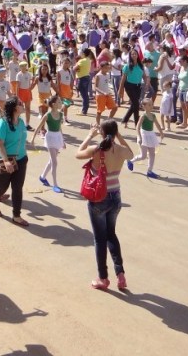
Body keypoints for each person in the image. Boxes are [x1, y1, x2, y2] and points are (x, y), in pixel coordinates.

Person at [75, 120, 134, 290]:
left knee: (100, 239)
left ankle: (103, 278)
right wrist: (119, 136)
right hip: (115, 196)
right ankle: (120, 273)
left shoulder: (97, 149)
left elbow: (77, 153)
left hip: (99, 197)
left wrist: (89, 135)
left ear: (101, 132)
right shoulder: (120, 150)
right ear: (115, 133)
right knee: (111, 235)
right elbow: (131, 153)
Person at [0, 97, 29, 227]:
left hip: (20, 159)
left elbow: (21, 139)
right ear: (14, 108)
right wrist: (6, 161)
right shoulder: (3, 123)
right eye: (20, 103)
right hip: (3, 159)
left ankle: (16, 215)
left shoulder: (21, 122)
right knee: (2, 187)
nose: (23, 104)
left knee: (17, 188)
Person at [30, 95, 66, 192]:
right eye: (59, 102)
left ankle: (42, 176)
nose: (61, 104)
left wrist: (63, 140)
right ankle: (55, 184)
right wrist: (33, 138)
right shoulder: (47, 115)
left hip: (57, 137)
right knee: (54, 161)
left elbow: (59, 127)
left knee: (52, 160)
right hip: (50, 137)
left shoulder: (61, 114)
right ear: (53, 105)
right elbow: (38, 127)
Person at [129, 98, 164, 178]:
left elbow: (157, 125)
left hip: (151, 135)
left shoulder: (153, 115)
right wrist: (139, 137)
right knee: (143, 156)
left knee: (152, 154)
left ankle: (149, 171)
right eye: (149, 105)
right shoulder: (143, 116)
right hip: (144, 135)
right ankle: (131, 161)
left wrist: (161, 133)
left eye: (152, 104)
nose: (152, 106)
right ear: (144, 106)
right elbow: (137, 127)